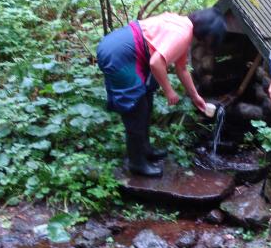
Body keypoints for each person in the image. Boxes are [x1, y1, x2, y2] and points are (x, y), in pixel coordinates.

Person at [97, 9, 226, 177]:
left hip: (126, 50)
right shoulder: (182, 34)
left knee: (146, 101)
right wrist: (169, 91)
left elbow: (181, 69)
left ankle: (145, 150)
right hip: (119, 54)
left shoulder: (183, 27)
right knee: (136, 108)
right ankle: (136, 163)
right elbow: (156, 63)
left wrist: (195, 96)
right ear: (207, 32)